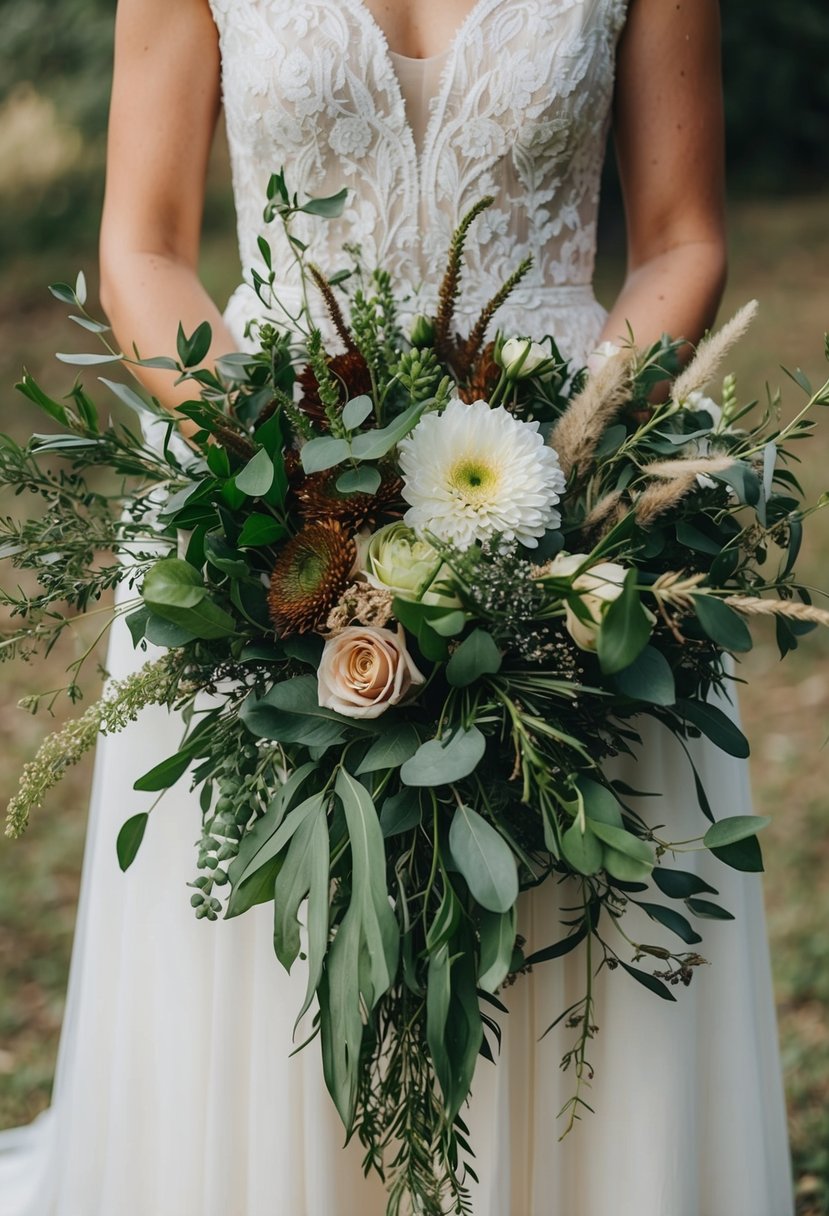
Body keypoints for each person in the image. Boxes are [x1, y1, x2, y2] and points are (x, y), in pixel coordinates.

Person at [0, 1, 794, 1213]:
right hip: (262, 498)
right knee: (273, 961)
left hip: (561, 500)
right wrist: (276, 473)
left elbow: (681, 238)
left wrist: (576, 471)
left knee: (566, 911)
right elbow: (142, 246)